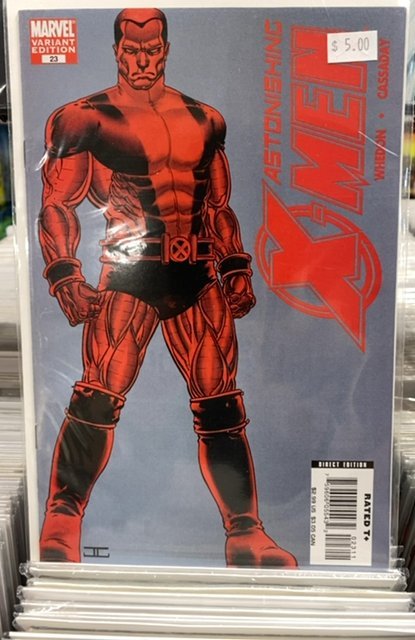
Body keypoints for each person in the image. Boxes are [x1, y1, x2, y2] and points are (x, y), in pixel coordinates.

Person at [38, 7, 297, 567]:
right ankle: (62, 522)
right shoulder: (86, 118)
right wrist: (64, 275)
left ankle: (246, 533)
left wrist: (235, 266)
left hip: (197, 273)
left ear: (167, 48)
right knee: (98, 393)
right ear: (116, 50)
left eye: (152, 50)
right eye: (132, 50)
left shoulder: (205, 119)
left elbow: (218, 205)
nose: (142, 61)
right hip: (130, 275)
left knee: (220, 399)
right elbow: (57, 203)